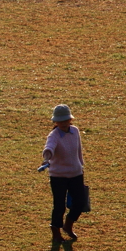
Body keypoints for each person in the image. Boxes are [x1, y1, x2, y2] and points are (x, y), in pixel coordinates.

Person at [42, 104, 85, 242]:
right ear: (55, 122)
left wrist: (80, 165)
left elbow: (78, 150)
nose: (63, 123)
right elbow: (49, 147)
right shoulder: (54, 135)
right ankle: (56, 233)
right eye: (60, 121)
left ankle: (68, 225)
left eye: (65, 120)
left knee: (80, 202)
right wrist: (47, 158)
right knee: (59, 206)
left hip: (76, 174)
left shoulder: (75, 131)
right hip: (58, 176)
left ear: (70, 120)